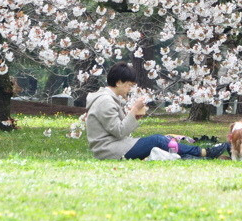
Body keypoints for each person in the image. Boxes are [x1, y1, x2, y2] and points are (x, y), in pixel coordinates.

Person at [84, 63, 227, 160]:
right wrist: (133, 111)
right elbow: (119, 131)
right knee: (157, 140)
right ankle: (203, 152)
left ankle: (195, 155)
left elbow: (118, 130)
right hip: (110, 150)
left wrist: (135, 116)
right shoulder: (105, 101)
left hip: (115, 146)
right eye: (128, 85)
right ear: (119, 82)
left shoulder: (107, 99)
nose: (129, 89)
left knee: (163, 140)